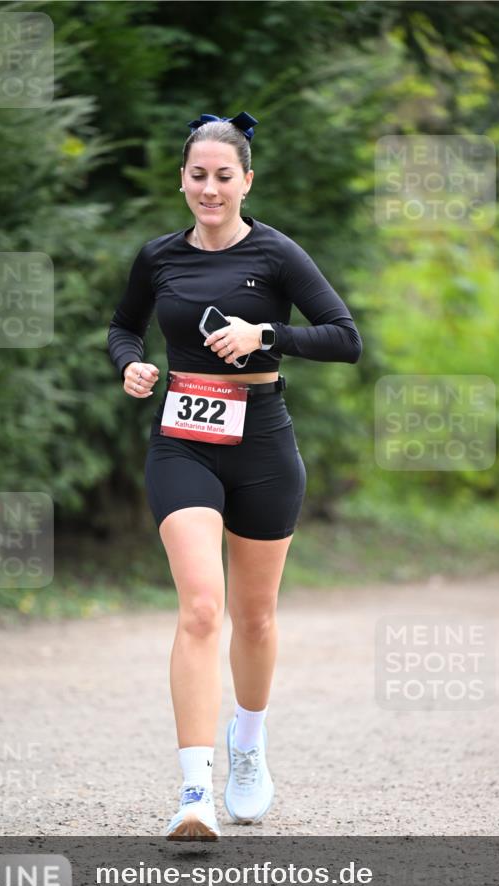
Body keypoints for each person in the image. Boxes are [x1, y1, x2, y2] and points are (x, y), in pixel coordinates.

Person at [107, 111, 362, 840]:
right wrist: (130, 363)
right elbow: (123, 325)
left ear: (245, 180)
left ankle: (246, 745)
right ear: (182, 178)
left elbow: (346, 339)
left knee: (253, 616)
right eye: (197, 175)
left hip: (263, 445)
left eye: (224, 176)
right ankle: (194, 792)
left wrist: (267, 335)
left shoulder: (277, 253)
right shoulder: (158, 257)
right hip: (182, 440)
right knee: (199, 608)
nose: (209, 188)